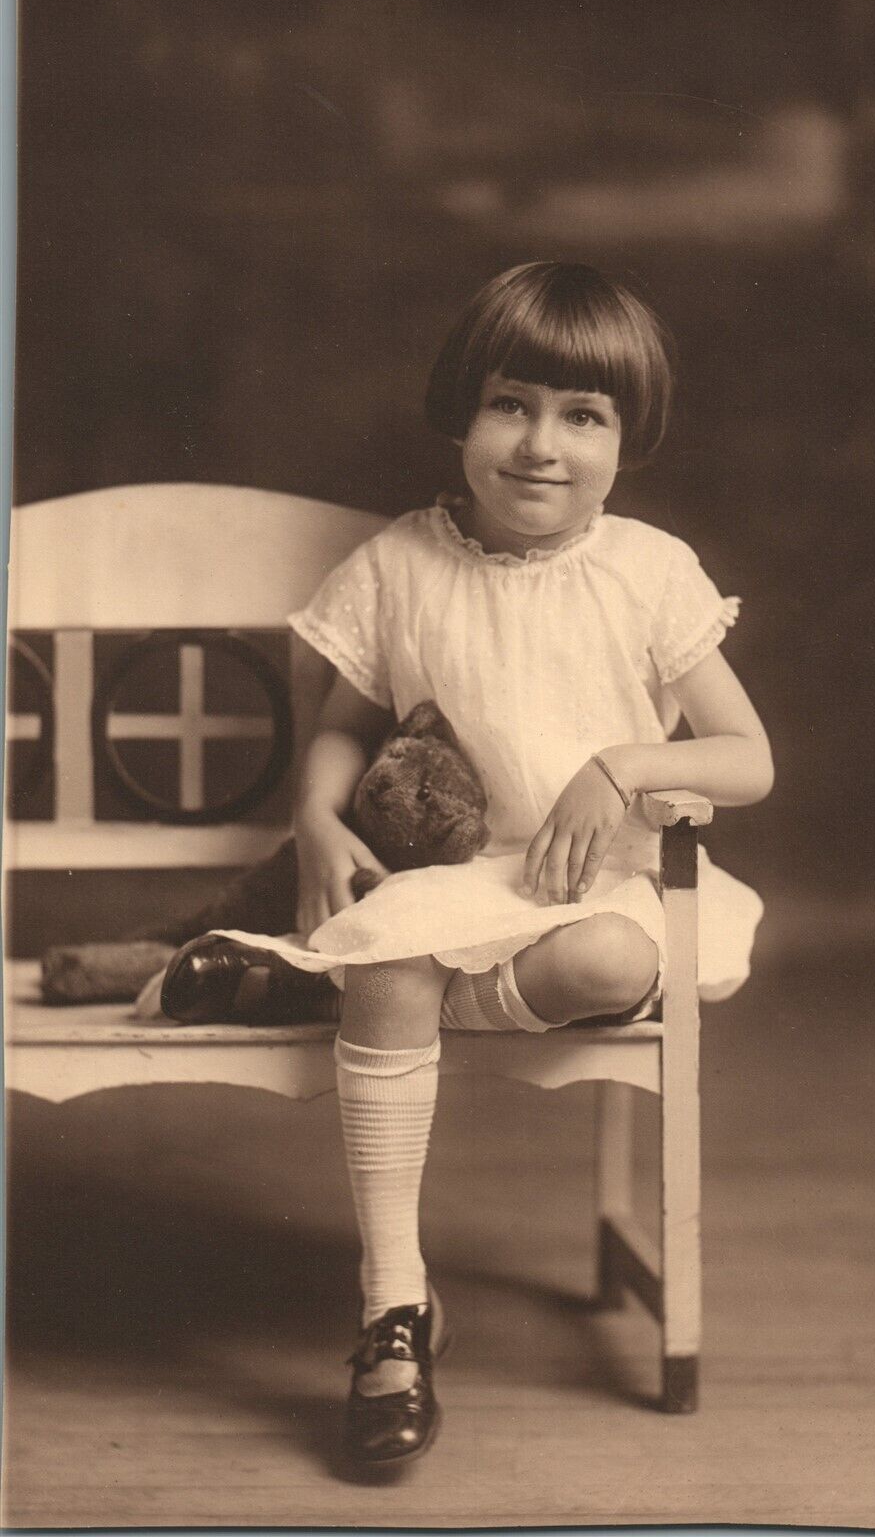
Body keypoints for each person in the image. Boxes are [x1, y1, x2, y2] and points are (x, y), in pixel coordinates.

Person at [211, 261, 774, 1466]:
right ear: (462, 410)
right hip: (455, 878)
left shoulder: (644, 571)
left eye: (583, 416)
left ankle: (362, 998)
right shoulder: (400, 568)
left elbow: (747, 759)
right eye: (511, 404)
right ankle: (394, 1309)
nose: (539, 446)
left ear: (627, 439)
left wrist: (625, 761)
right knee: (397, 942)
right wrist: (315, 819)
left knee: (605, 954)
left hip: (598, 886)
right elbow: (341, 734)